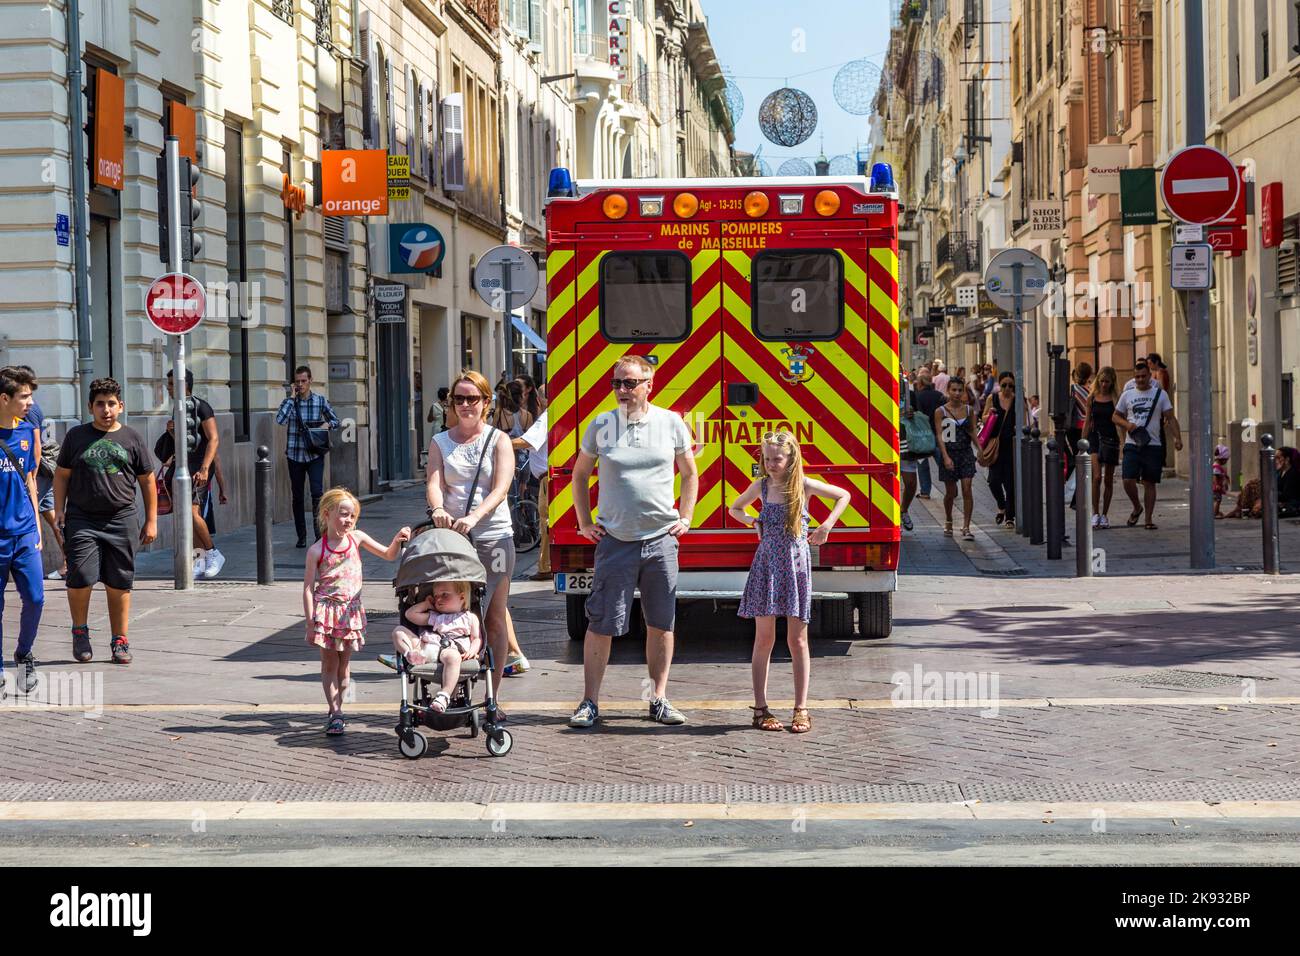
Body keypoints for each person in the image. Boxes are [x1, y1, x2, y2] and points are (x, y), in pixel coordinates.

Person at [568, 355, 698, 729]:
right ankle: (590, 702)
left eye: (629, 383)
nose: (621, 390)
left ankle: (658, 699)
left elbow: (690, 474)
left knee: (661, 622)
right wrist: (584, 522)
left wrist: (685, 518)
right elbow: (580, 475)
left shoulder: (670, 423)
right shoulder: (601, 425)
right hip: (616, 540)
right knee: (602, 622)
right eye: (616, 383)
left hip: (660, 540)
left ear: (648, 385)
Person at [730, 432, 849, 735]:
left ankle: (801, 708)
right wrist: (753, 522)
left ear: (791, 458)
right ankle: (760, 709)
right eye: (767, 458)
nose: (771, 464)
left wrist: (826, 526)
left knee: (798, 641)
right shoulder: (761, 486)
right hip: (767, 566)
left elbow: (843, 496)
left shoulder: (803, 485)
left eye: (777, 459)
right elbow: (735, 508)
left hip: (796, 567)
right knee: (763, 639)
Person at [427, 371, 517, 705]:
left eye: (472, 398)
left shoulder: (498, 440)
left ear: (486, 402)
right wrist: (438, 508)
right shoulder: (440, 442)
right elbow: (434, 483)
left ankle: (493, 696)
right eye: (459, 399)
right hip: (454, 541)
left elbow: (501, 487)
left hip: (494, 537)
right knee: (456, 614)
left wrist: (475, 517)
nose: (466, 405)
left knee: (494, 616)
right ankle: (454, 687)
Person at [54, 378, 157, 665]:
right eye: (100, 404)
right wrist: (60, 509)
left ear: (120, 406)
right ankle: (80, 631)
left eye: (111, 404)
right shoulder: (76, 436)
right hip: (82, 518)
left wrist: (151, 520)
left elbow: (147, 480)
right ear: (90, 407)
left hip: (121, 518)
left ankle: (120, 640)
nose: (106, 409)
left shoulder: (132, 438)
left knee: (119, 581)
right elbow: (61, 475)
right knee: (80, 577)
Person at [303, 488, 409, 735]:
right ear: (327, 514)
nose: (348, 520)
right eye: (343, 514)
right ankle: (335, 712)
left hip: (350, 613)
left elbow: (388, 554)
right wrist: (310, 622)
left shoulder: (357, 538)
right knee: (329, 663)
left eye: (352, 516)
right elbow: (308, 588)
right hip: (327, 612)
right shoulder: (317, 550)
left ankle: (340, 705)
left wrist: (397, 539)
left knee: (345, 664)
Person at [0, 367, 44, 696]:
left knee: (36, 598)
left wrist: (38, 528)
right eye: (24, 396)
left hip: (25, 532)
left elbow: (30, 480)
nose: (30, 403)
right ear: (5, 398)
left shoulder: (27, 431)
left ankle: (24, 653)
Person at [157, 369, 224, 578]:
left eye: (171, 384)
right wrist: (172, 433)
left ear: (183, 384)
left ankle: (213, 553)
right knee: (187, 514)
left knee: (192, 512)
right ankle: (199, 559)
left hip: (199, 468)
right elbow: (186, 442)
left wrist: (205, 469)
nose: (168, 388)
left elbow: (213, 439)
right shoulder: (178, 409)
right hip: (184, 467)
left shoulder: (201, 407)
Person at [385, 581, 482, 713]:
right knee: (399, 631)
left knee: (453, 657)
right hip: (428, 647)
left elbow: (476, 638)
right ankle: (410, 654)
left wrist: (473, 650)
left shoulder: (470, 618)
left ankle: (444, 695)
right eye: (436, 596)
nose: (439, 599)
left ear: (461, 597)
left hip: (451, 649)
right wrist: (426, 604)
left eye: (444, 595)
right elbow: (410, 615)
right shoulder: (435, 616)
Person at [276, 366, 341, 548]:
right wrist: (291, 398)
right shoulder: (290, 402)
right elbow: (280, 420)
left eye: (303, 381)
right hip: (294, 455)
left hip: (314, 454)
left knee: (317, 494)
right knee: (297, 496)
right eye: (297, 381)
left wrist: (327, 425)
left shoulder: (320, 401)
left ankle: (319, 535)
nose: (300, 384)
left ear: (310, 380)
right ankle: (301, 536)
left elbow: (336, 420)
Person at [1113, 361, 1183, 529]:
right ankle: (1137, 506)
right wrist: (1128, 425)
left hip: (1153, 445)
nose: (1140, 379)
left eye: (1143, 376)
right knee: (1127, 479)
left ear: (1150, 376)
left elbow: (1170, 417)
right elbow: (1115, 416)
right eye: (1137, 377)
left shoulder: (1160, 394)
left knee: (1149, 482)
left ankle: (1148, 519)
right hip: (1132, 443)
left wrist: (1178, 438)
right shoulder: (1127, 395)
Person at [15, 366, 64, 580]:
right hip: (41, 473)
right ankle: (69, 562)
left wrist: (32, 477)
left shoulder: (30, 410)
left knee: (35, 515)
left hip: (38, 473)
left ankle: (35, 565)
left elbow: (36, 445)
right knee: (52, 517)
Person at [934, 376, 977, 540]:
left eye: (960, 390)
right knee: (950, 492)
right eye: (954, 390)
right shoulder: (941, 411)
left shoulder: (969, 410)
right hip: (949, 453)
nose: (957, 393)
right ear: (948, 391)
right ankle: (949, 519)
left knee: (967, 488)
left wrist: (980, 450)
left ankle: (966, 526)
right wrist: (945, 457)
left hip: (966, 453)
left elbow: (972, 431)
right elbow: (940, 435)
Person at [513, 407, 550, 588]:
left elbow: (527, 441)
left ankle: (546, 567)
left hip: (548, 480)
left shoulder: (549, 414)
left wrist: (496, 442)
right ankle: (546, 566)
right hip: (551, 478)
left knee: (546, 524)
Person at [1081, 366, 1121, 528]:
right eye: (1102, 381)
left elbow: (1121, 421)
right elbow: (1087, 421)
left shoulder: (1116, 398)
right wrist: (1082, 442)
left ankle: (1105, 515)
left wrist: (1124, 442)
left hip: (1111, 439)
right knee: (1097, 477)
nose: (1104, 384)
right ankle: (1095, 513)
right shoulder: (1091, 398)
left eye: (1107, 382)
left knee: (1109, 479)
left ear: (1112, 382)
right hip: (1095, 438)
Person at [981, 372, 1018, 530]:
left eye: (1011, 385)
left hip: (1012, 446)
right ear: (999, 385)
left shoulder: (1018, 400)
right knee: (993, 480)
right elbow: (983, 418)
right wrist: (989, 415)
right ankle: (1001, 505)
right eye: (1004, 385)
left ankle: (1009, 517)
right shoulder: (993, 398)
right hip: (995, 445)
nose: (1007, 388)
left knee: (1010, 483)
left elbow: (1026, 421)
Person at [1224, 447, 1300, 519]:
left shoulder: (1293, 473)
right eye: (1275, 457)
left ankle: (1243, 510)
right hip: (1275, 497)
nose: (1275, 460)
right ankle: (1239, 509)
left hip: (1289, 503)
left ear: (1287, 459)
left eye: (1278, 457)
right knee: (1252, 485)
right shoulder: (1279, 472)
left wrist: (1266, 495)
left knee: (1259, 508)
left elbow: (1286, 496)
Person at [911, 369, 945, 500]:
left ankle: (925, 491)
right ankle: (952, 488)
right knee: (943, 462)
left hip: (922, 436)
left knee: (922, 464)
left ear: (920, 383)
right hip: (938, 434)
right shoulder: (939, 395)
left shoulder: (918, 397)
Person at [1212, 444, 1231, 519]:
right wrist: (1217, 484)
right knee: (1217, 500)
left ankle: (1216, 511)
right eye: (1226, 460)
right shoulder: (1216, 467)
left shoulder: (1218, 466)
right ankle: (1214, 513)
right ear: (1222, 459)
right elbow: (1215, 475)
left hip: (1217, 487)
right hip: (1216, 488)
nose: (1226, 462)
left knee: (1217, 500)